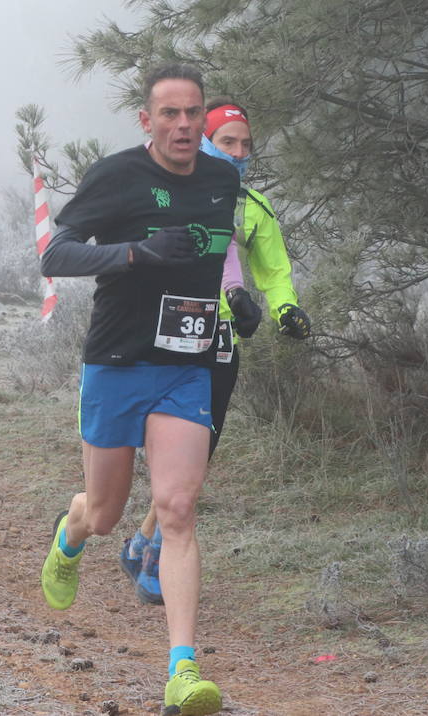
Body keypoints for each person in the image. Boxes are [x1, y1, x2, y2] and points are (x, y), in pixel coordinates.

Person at [39, 63, 238, 716]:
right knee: (105, 513)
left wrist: (239, 303)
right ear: (146, 121)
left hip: (187, 363)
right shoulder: (119, 176)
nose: (182, 125)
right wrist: (135, 253)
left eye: (192, 114)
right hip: (119, 361)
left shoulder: (222, 178)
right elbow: (56, 254)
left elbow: (219, 260)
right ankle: (72, 532)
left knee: (177, 509)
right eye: (169, 114)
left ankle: (182, 670)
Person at [120, 98, 312, 605]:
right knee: (161, 457)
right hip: (163, 335)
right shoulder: (168, 193)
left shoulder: (251, 205)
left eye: (246, 144)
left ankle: (151, 552)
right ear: (204, 139)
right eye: (228, 141)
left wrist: (285, 309)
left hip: (220, 342)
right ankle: (136, 539)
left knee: (195, 458)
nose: (240, 152)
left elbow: (272, 268)